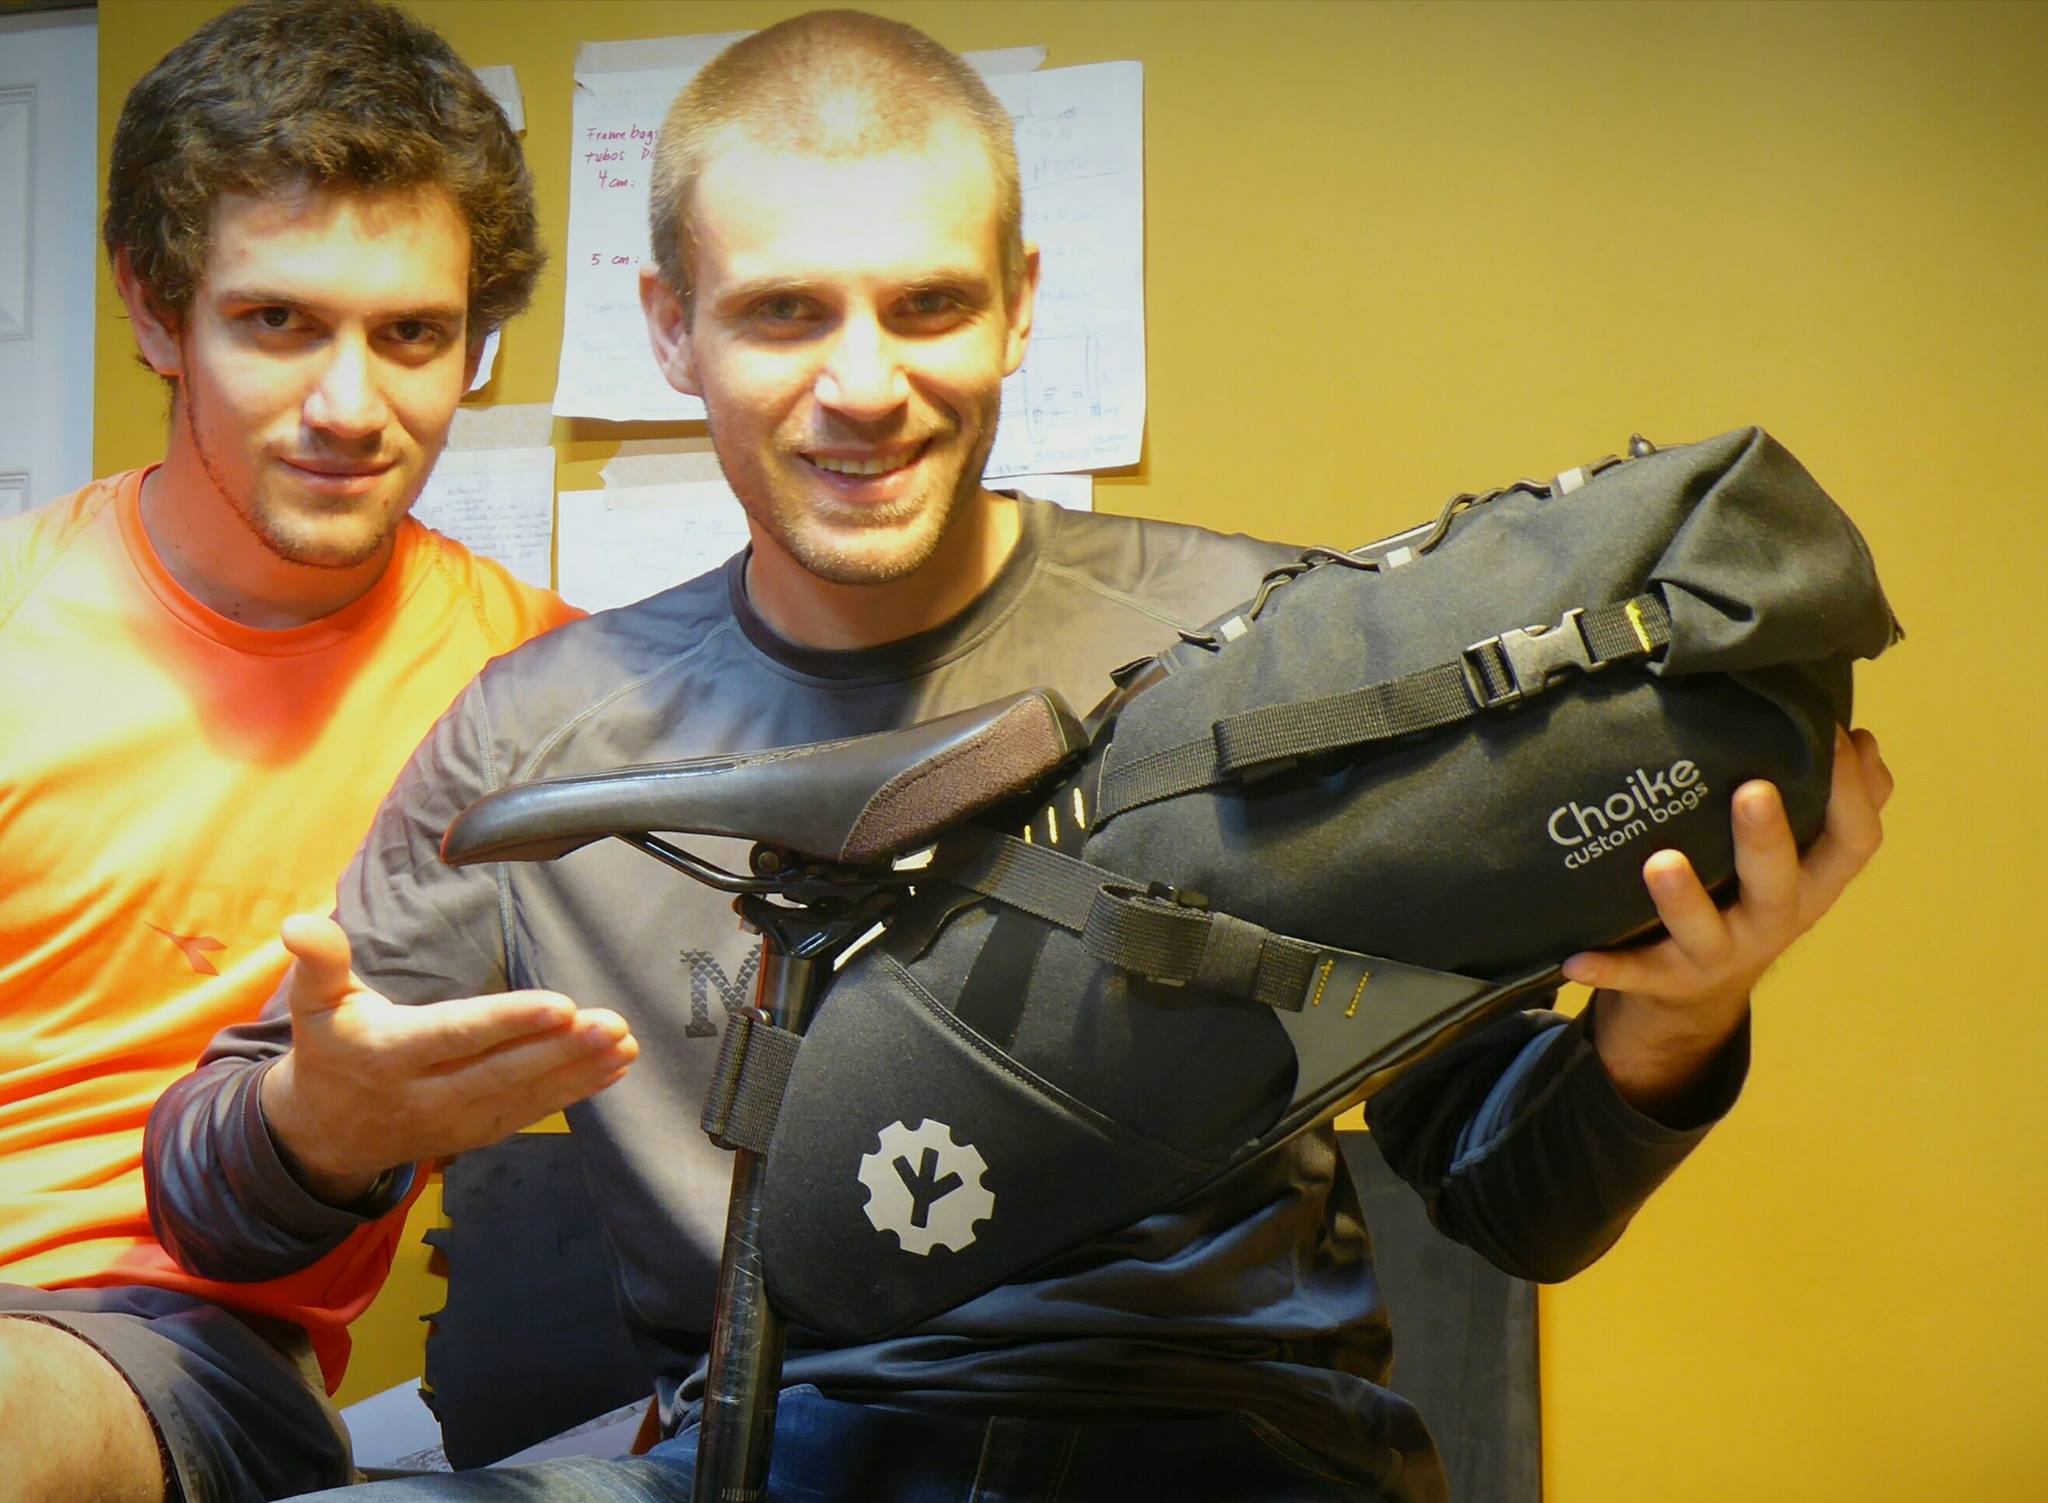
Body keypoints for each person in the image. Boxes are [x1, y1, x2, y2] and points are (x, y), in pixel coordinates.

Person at [146, 11, 1892, 1503]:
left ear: (1019, 304)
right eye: (782, 314)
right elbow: (219, 1211)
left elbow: (1510, 1203)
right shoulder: (541, 740)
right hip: (758, 1450)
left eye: (927, 306)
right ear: (670, 325)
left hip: (1222, 1439)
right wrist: (316, 1125)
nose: (864, 386)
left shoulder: (1267, 650)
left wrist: (1674, 1023)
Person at [0, 3, 589, 1500]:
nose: (352, 408)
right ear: (154, 312)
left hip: (171, 1350)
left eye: (413, 336)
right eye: (278, 323)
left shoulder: (546, 694)